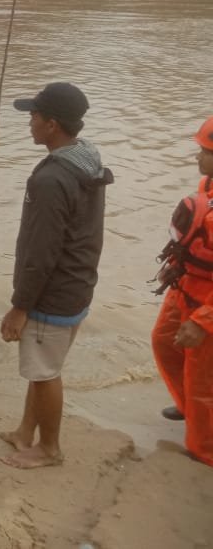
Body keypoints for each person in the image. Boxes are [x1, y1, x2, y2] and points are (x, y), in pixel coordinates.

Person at [0, 82, 113, 469]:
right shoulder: (87, 159)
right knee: (42, 365)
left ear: (51, 125)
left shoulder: (49, 179)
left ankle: (49, 448)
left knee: (45, 372)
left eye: (33, 116)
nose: (28, 122)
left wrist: (19, 306)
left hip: (54, 291)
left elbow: (40, 252)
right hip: (79, 284)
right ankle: (24, 431)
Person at [150, 116, 213, 467]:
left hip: (208, 301)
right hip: (186, 284)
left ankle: (203, 453)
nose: (198, 158)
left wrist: (204, 320)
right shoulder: (207, 186)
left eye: (205, 151)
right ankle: (190, 407)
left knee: (204, 378)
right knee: (164, 341)